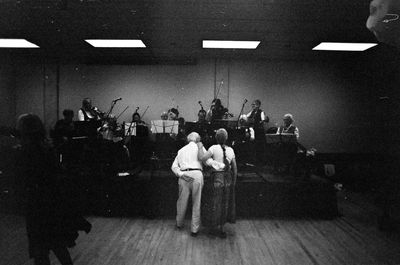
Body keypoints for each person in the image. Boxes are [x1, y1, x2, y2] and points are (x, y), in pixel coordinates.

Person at [13, 113, 91, 265]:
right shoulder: (45, 148)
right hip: (50, 203)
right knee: (56, 244)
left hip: (38, 204)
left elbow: (26, 178)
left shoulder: (29, 151)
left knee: (41, 249)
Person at [197, 128, 237, 238]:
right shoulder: (231, 150)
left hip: (217, 178)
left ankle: (213, 227)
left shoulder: (213, 148)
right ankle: (222, 229)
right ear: (227, 138)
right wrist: (234, 182)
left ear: (216, 138)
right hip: (228, 178)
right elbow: (235, 168)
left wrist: (200, 147)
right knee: (225, 203)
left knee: (214, 203)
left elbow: (202, 158)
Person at [171, 132, 206, 237]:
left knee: (182, 201)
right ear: (197, 139)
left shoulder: (181, 150)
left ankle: (179, 223)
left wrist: (181, 174)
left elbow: (173, 166)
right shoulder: (200, 148)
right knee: (196, 202)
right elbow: (206, 160)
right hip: (197, 174)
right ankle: (194, 229)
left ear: (188, 139)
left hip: (184, 175)